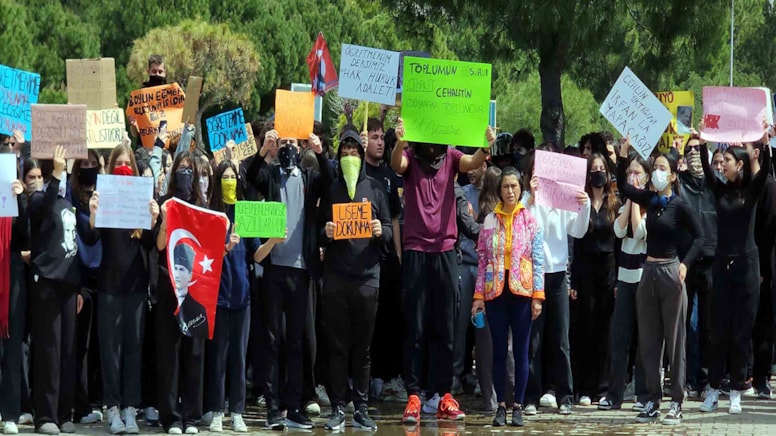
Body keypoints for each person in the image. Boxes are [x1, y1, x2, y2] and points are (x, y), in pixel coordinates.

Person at [391, 118, 493, 425]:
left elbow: (472, 161)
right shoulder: (410, 154)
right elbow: (397, 164)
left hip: (446, 251)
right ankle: (414, 395)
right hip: (416, 251)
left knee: (446, 326)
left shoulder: (449, 156)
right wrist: (399, 140)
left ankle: (444, 395)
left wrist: (485, 145)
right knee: (416, 325)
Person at [246, 128, 332, 430]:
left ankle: (294, 407)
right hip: (274, 269)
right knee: (272, 340)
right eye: (283, 143)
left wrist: (319, 152)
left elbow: (330, 180)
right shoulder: (270, 174)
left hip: (301, 269)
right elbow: (249, 177)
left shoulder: (308, 176)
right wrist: (261, 150)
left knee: (296, 342)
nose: (288, 148)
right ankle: (273, 407)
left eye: (293, 144)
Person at [617, 138, 703, 425]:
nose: (657, 172)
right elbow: (625, 187)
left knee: (675, 339)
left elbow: (700, 237)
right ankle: (652, 399)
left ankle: (676, 401)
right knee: (649, 341)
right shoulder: (650, 201)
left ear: (673, 175)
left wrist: (685, 264)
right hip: (648, 273)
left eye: (662, 168)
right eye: (655, 167)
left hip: (670, 272)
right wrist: (622, 156)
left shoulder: (680, 204)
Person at [319, 128, 392, 431]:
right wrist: (325, 233)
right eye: (344, 153)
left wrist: (379, 230)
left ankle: (361, 408)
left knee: (362, 349)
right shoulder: (331, 189)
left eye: (354, 152)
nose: (350, 157)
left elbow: (389, 229)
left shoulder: (375, 189)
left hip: (367, 280)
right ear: (339, 157)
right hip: (336, 278)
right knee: (337, 347)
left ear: (362, 158)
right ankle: (338, 406)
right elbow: (316, 231)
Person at [697, 128, 772, 414]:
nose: (721, 164)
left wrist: (765, 146)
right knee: (719, 331)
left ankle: (737, 390)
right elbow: (706, 169)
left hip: (747, 267)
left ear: (739, 164)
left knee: (742, 331)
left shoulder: (751, 190)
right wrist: (704, 145)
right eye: (721, 159)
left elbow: (764, 170)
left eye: (726, 159)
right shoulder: (720, 189)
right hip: (722, 265)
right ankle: (714, 389)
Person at [88, 145, 159, 434]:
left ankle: (131, 408)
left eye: (128, 162)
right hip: (109, 286)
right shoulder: (104, 196)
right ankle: (113, 408)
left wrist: (153, 219)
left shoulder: (141, 199)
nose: (124, 166)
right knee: (111, 350)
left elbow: (151, 244)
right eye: (119, 162)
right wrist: (93, 212)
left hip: (136, 286)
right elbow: (92, 237)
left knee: (134, 348)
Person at [472, 166, 544, 427]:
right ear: (499, 190)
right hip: (495, 292)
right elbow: (482, 260)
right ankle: (501, 404)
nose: (510, 191)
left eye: (514, 186)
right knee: (499, 351)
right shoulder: (490, 220)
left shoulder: (530, 220)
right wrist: (478, 296)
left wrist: (538, 295)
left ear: (520, 189)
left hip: (522, 292)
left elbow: (538, 258)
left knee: (522, 351)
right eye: (506, 186)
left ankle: (518, 405)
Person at [521, 149, 590, 416]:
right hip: (534, 274)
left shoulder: (562, 201)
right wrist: (529, 194)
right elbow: (521, 221)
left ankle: (564, 395)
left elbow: (579, 230)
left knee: (560, 338)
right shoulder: (531, 199)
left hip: (559, 273)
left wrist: (583, 205)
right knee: (534, 338)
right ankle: (531, 396)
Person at [28, 146, 83, 434]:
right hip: (47, 283)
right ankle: (46, 416)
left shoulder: (66, 200)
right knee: (49, 351)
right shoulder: (39, 198)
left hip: (68, 285)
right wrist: (58, 174)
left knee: (67, 351)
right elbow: (43, 209)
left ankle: (64, 413)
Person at [154, 151, 208, 434]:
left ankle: (192, 417)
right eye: (182, 168)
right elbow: (161, 246)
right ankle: (172, 417)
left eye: (190, 169)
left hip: (197, 290)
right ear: (174, 172)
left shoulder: (203, 205)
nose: (186, 173)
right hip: (169, 289)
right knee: (169, 354)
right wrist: (164, 220)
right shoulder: (166, 204)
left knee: (194, 354)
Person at [205, 160, 260, 433]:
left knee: (239, 356)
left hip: (242, 296)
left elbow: (256, 253)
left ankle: (237, 411)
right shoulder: (212, 213)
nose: (229, 180)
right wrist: (226, 248)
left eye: (233, 176)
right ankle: (217, 410)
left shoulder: (244, 211)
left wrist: (274, 241)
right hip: (217, 296)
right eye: (224, 176)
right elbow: (203, 255)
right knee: (219, 356)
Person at [599, 153, 650, 411]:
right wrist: (630, 199)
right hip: (625, 280)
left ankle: (643, 395)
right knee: (619, 339)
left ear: (648, 177)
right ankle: (614, 394)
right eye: (629, 173)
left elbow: (640, 232)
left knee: (644, 342)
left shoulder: (653, 206)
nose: (633, 177)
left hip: (645, 281)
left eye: (637, 173)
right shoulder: (624, 204)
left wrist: (638, 200)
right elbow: (619, 231)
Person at [361, 118, 406, 404]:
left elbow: (394, 218)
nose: (378, 142)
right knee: (368, 322)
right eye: (373, 137)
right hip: (360, 260)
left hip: (387, 258)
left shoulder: (390, 175)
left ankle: (389, 377)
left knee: (390, 318)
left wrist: (399, 254)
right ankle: (368, 377)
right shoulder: (356, 171)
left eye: (381, 137)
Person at [570, 154, 620, 406]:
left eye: (602, 168)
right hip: (586, 269)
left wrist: (618, 281)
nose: (598, 173)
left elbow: (620, 243)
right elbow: (576, 243)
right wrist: (574, 282)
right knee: (586, 327)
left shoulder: (615, 202)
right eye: (594, 169)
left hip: (609, 269)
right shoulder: (582, 201)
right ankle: (585, 387)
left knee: (605, 329)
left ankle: (603, 387)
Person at [676, 137, 717, 398]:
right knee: (686, 324)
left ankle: (707, 380)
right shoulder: (680, 184)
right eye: (688, 149)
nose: (693, 154)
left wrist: (703, 146)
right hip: (686, 262)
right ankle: (689, 380)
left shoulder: (715, 184)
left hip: (712, 261)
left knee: (709, 324)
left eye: (697, 149)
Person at [0, 156, 28, 435]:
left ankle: (10, 413)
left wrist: (20, 200)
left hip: (12, 274)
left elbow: (26, 236)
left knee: (11, 344)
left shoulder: (17, 199)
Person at [747, 139, 776, 399]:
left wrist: (762, 268)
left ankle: (762, 376)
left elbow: (766, 232)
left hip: (762, 267)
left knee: (764, 322)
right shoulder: (741, 184)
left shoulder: (766, 185)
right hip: (741, 263)